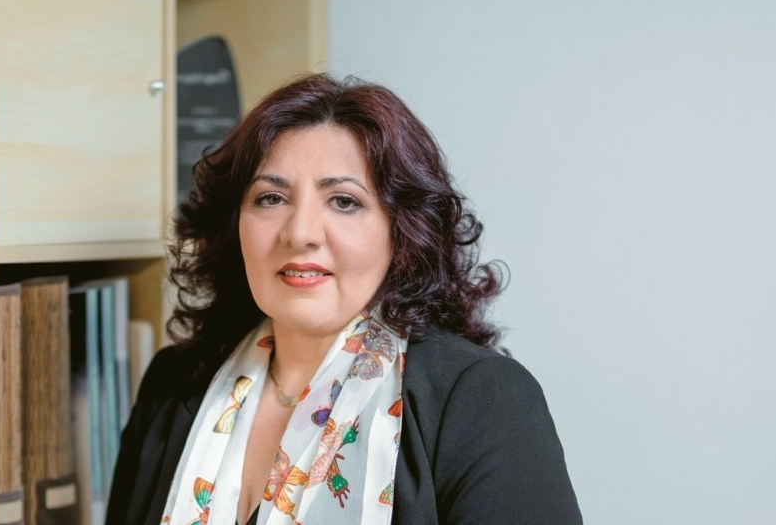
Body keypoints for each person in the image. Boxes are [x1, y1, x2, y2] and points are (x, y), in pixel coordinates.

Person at [106, 73, 582, 525]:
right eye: (271, 198)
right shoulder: (174, 383)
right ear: (235, 225)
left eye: (344, 201)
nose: (300, 233)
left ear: (402, 231)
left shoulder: (481, 399)